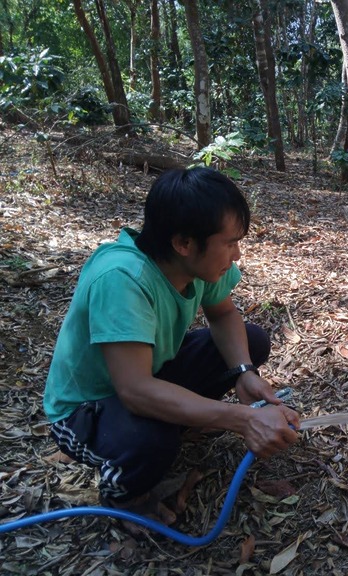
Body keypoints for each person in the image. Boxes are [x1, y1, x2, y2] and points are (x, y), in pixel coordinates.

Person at [43, 167, 300, 522]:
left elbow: (223, 316)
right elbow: (135, 391)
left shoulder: (197, 266)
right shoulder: (123, 279)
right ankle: (124, 499)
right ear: (184, 243)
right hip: (85, 409)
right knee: (152, 441)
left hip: (146, 375)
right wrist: (242, 419)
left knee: (251, 341)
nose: (237, 254)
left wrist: (243, 372)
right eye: (229, 243)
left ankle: (178, 420)